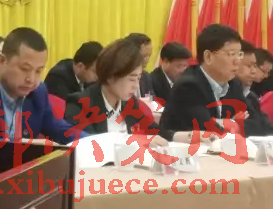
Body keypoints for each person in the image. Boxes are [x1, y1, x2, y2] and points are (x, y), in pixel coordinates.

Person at [0, 28, 84, 144]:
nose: (31, 79)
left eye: (38, 71)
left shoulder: (37, 91)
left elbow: (60, 130)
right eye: (25, 69)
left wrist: (93, 141)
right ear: (1, 61)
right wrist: (26, 145)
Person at [65, 39, 197, 143]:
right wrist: (136, 141)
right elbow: (90, 145)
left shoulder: (128, 103)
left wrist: (191, 136)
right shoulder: (79, 104)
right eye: (132, 79)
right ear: (111, 76)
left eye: (138, 78)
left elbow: (154, 131)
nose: (136, 86)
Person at [160, 24, 249, 136]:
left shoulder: (233, 84)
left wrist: (230, 124)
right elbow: (208, 130)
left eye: (239, 54)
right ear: (208, 57)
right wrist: (233, 123)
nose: (237, 61)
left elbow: (262, 125)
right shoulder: (188, 86)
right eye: (231, 54)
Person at [233, 41, 273, 135]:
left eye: (254, 66)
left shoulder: (251, 97)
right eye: (249, 66)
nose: (253, 71)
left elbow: (266, 127)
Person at [125, 33, 154, 97]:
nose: (147, 60)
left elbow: (151, 98)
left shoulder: (145, 76)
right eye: (144, 56)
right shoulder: (120, 77)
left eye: (149, 55)